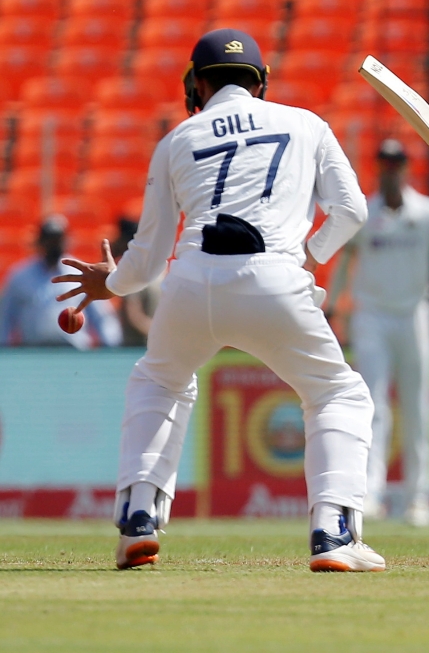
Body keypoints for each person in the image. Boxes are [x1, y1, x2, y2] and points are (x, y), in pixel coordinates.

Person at [52, 29, 385, 572]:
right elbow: (351, 210)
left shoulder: (178, 139)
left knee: (158, 381)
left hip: (190, 282)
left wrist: (109, 284)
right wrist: (306, 255)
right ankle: (333, 534)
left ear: (198, 84)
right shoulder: (307, 123)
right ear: (261, 82)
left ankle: (138, 517)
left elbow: (150, 256)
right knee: (337, 395)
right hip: (275, 276)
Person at [328, 138, 429, 527]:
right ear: (378, 168)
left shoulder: (428, 214)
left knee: (417, 407)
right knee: (372, 406)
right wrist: (333, 304)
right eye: (385, 163)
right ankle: (370, 493)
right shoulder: (363, 214)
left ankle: (417, 499)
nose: (391, 170)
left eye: (397, 163)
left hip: (413, 314)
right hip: (371, 315)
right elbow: (344, 261)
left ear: (406, 168)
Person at [0, 215, 121, 349]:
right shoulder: (20, 276)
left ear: (66, 240)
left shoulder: (82, 273)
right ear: (40, 241)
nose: (54, 244)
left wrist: (110, 348)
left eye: (57, 239)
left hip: (74, 352)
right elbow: (4, 318)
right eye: (49, 240)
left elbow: (102, 317)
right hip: (33, 353)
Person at [109, 218, 162, 347]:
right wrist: (162, 335)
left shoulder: (143, 272)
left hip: (147, 347)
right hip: (138, 348)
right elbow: (134, 316)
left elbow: (134, 316)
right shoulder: (137, 273)